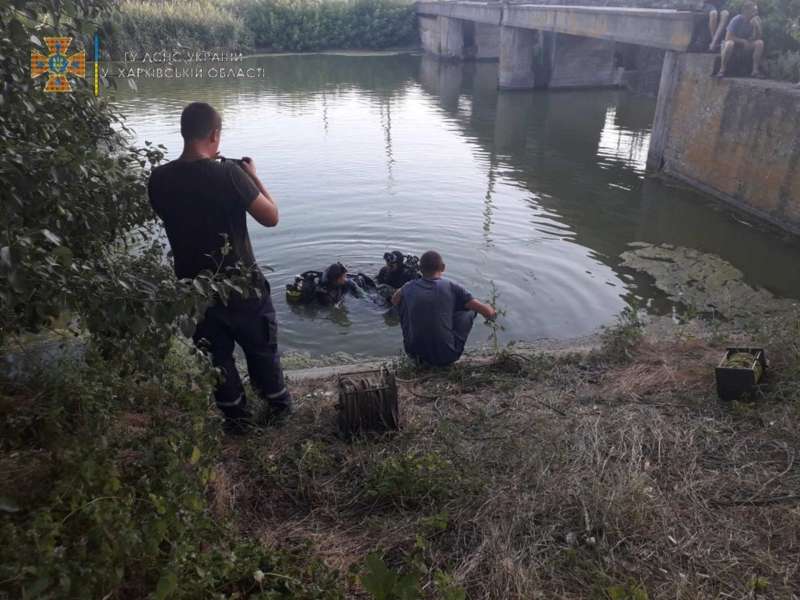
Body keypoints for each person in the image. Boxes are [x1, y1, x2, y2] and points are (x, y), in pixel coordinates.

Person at [148, 102, 292, 434]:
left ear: (184, 132)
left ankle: (236, 421)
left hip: (194, 289)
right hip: (242, 286)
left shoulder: (159, 179)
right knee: (261, 350)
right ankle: (278, 411)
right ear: (215, 134)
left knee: (216, 358)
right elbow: (271, 217)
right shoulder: (229, 174)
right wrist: (252, 176)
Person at [392, 250, 496, 367]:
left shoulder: (408, 287)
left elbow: (394, 300)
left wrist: (406, 290)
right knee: (470, 310)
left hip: (413, 354)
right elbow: (488, 313)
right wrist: (491, 309)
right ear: (443, 267)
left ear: (420, 269)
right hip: (446, 357)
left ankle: (420, 348)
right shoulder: (452, 287)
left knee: (403, 301)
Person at [718, 1, 764, 78]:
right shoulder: (737, 19)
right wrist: (742, 41)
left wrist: (757, 27)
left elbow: (758, 38)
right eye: (753, 10)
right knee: (730, 44)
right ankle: (722, 69)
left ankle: (755, 71)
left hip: (745, 45)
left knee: (760, 43)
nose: (755, 13)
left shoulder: (755, 21)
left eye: (756, 11)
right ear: (746, 10)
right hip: (731, 44)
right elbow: (728, 37)